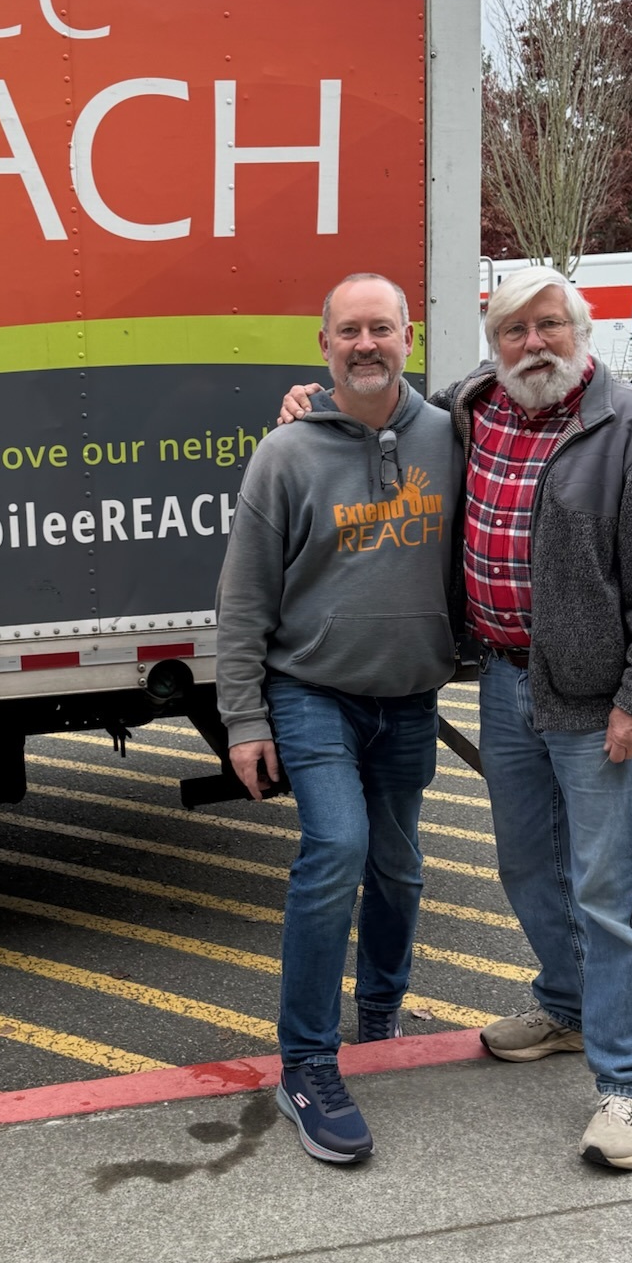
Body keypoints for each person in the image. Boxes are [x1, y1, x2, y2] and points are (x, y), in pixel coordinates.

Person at [280, 263, 632, 1171]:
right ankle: (567, 1006)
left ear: (582, 331)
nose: (534, 344)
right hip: (507, 682)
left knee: (610, 888)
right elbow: (379, 406)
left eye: (550, 325)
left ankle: (631, 1084)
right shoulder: (475, 406)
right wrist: (313, 403)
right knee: (528, 866)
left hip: (596, 700)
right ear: (494, 345)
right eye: (515, 330)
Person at [217, 273, 464, 1164]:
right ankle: (308, 1065)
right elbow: (244, 596)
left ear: (410, 339)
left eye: (382, 329)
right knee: (338, 850)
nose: (366, 344)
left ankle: (381, 1011)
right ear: (323, 346)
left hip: (410, 697)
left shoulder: (454, 435)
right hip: (312, 691)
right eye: (348, 331)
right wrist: (244, 719)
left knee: (398, 867)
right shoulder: (285, 453)